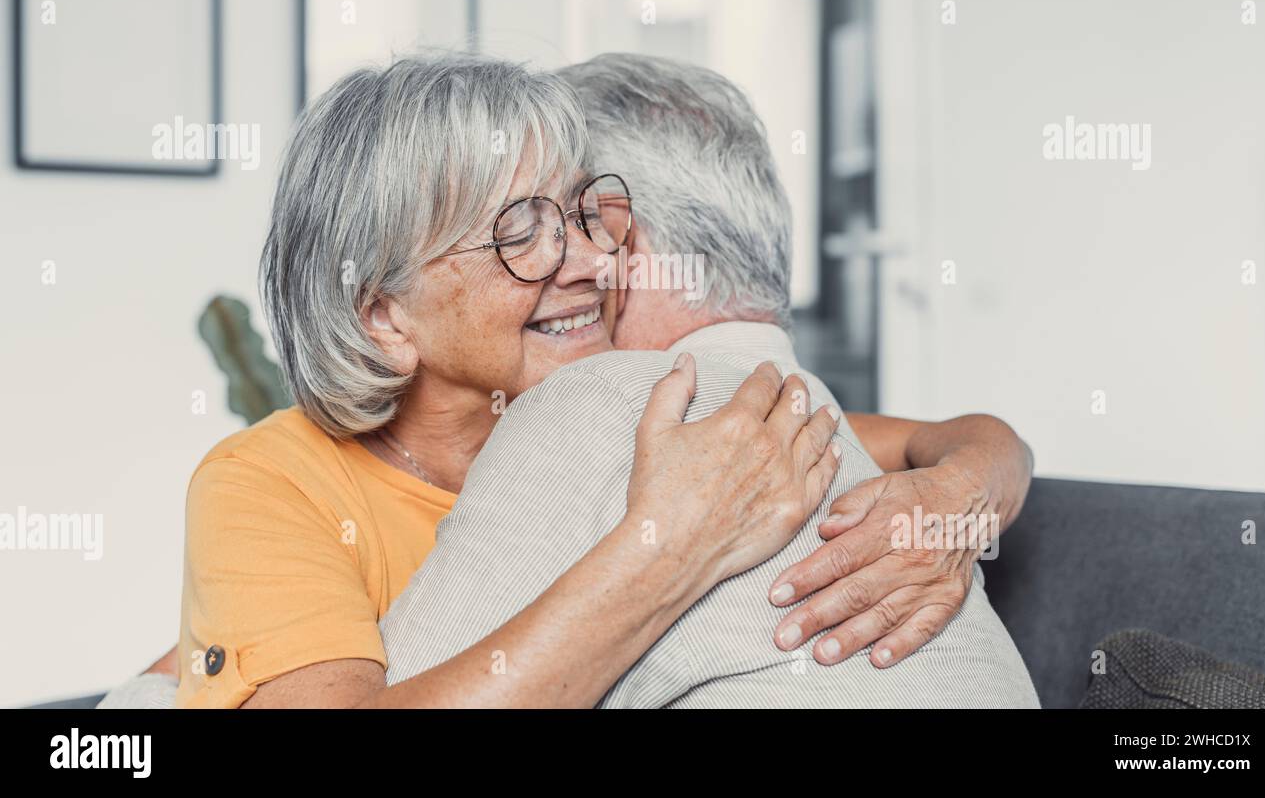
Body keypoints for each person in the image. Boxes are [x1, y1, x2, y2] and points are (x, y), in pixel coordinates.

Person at [100, 52, 1032, 709]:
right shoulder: (271, 483)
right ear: (385, 317)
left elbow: (962, 440)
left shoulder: (644, 412)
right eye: (520, 234)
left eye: (587, 214)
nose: (591, 261)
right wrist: (669, 548)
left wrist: (953, 500)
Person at [379, 54, 1039, 707]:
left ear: (620, 243)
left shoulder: (594, 407)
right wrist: (969, 484)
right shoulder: (811, 416)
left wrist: (966, 490)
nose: (565, 259)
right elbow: (970, 440)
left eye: (577, 220)